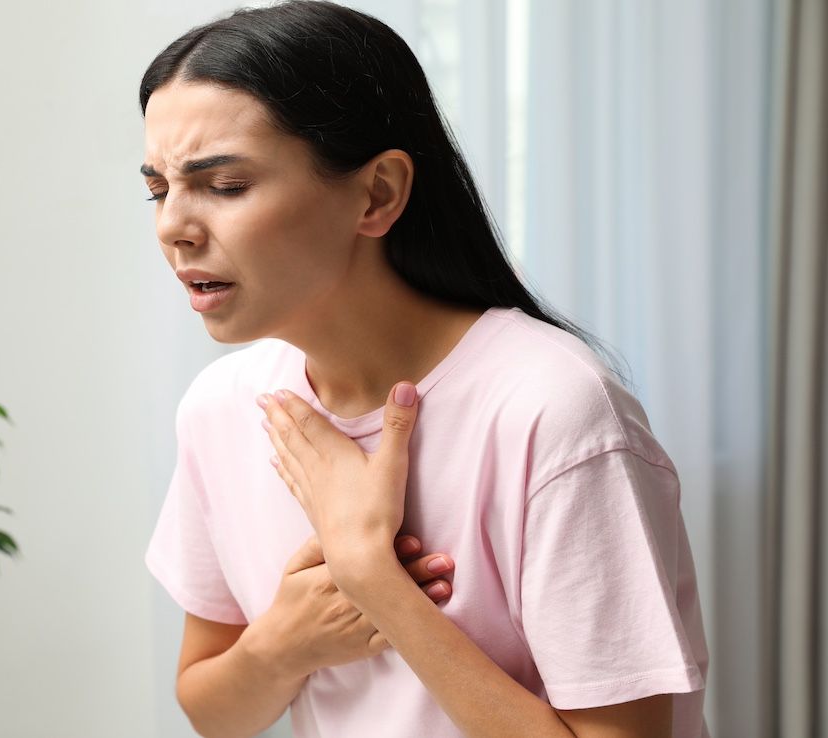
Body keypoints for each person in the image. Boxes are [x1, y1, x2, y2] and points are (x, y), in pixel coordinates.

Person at [140, 1, 710, 736]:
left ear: (377, 193)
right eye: (158, 188)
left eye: (224, 186)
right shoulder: (221, 407)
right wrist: (287, 640)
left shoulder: (553, 409)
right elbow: (215, 711)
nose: (172, 228)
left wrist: (373, 580)